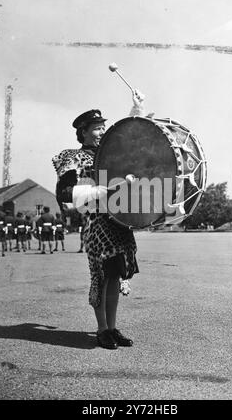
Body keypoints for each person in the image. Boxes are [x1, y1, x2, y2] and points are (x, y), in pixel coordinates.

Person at [52, 90, 144, 349]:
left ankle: (112, 328)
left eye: (103, 127)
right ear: (82, 132)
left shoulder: (109, 153)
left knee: (115, 276)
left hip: (119, 223)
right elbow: (65, 193)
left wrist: (135, 110)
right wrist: (100, 191)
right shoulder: (73, 157)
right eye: (96, 128)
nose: (102, 131)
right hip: (96, 224)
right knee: (101, 277)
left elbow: (124, 139)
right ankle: (101, 329)